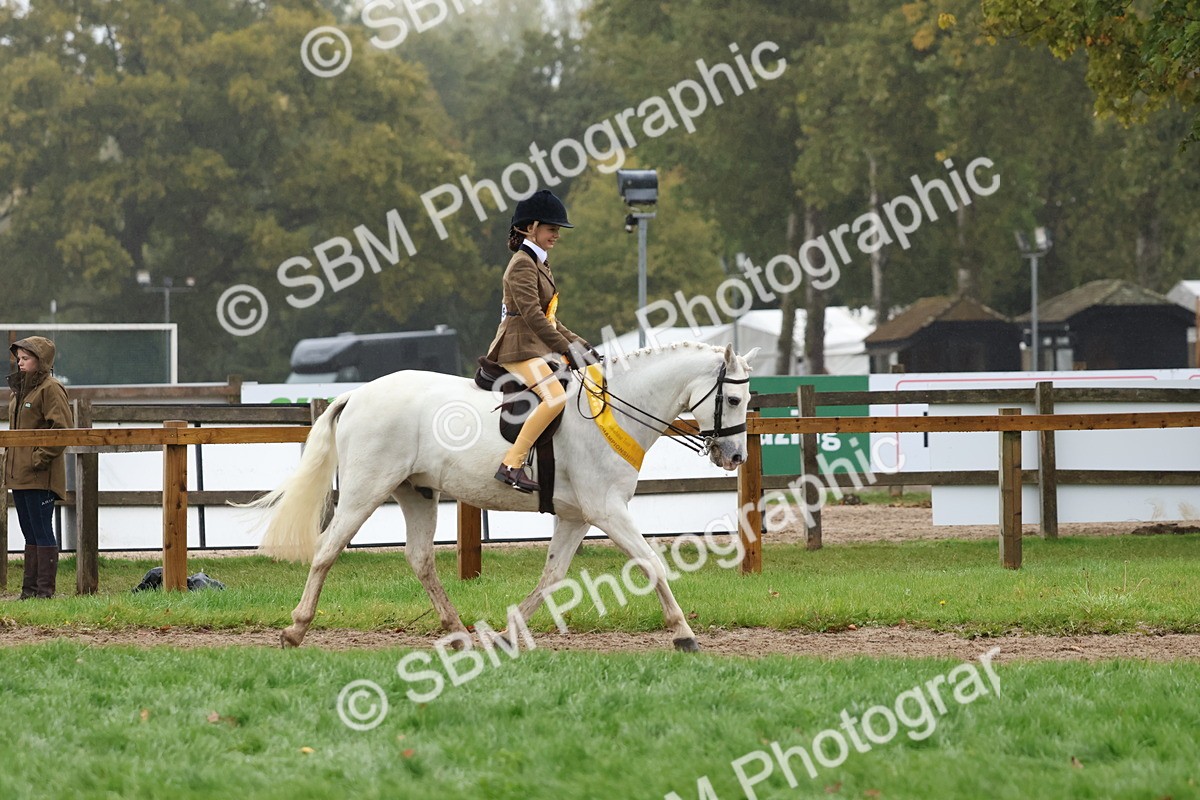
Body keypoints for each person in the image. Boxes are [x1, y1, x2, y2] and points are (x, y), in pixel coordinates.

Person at [486, 189, 596, 493]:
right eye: (551, 229)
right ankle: (512, 464)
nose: (556, 235)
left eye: (557, 230)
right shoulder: (522, 263)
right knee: (555, 397)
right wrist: (565, 349)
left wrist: (582, 345)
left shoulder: (539, 263)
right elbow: (533, 317)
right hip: (517, 348)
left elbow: (551, 319)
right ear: (531, 227)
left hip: (534, 346)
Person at [4, 336, 72, 599]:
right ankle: (29, 592)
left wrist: (38, 459)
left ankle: (45, 592)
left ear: (40, 361)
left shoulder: (51, 389)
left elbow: (62, 430)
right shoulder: (20, 392)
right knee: (29, 532)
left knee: (42, 531)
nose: (20, 363)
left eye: (25, 358)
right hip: (19, 475)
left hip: (40, 475)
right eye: (18, 359)